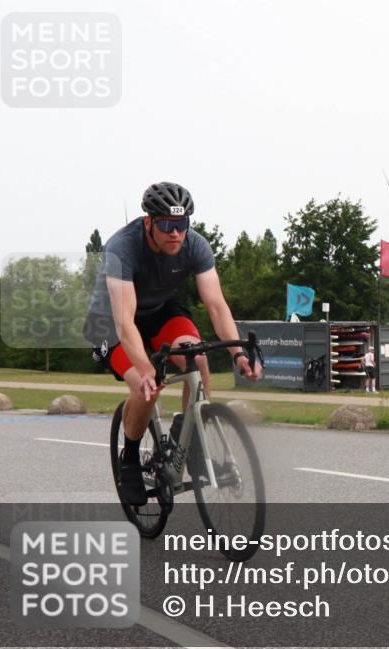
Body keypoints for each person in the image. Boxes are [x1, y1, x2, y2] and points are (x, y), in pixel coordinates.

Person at [84, 181, 262, 506]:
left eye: (182, 224)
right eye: (167, 224)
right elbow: (125, 321)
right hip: (112, 321)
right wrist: (145, 367)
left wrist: (238, 352)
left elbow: (217, 305)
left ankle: (189, 432)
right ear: (148, 221)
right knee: (146, 385)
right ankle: (131, 460)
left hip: (159, 311)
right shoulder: (121, 248)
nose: (175, 234)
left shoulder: (195, 245)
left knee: (197, 357)